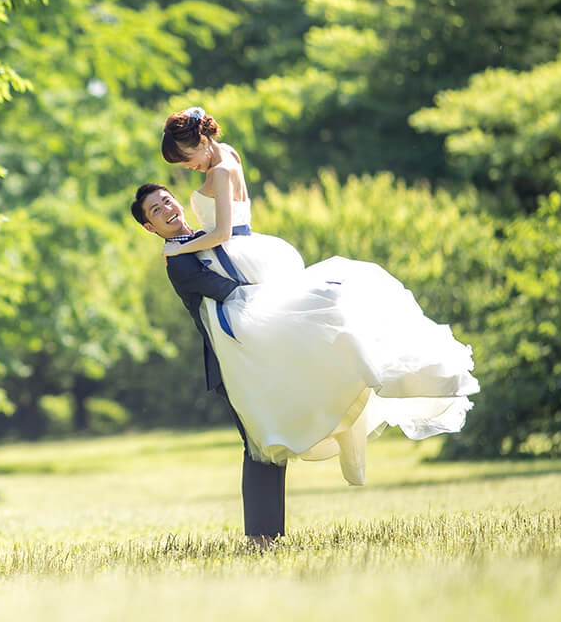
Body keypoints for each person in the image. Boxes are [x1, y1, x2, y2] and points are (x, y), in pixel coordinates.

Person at [147, 107, 479, 490]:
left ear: (202, 142)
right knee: (292, 329)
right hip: (255, 246)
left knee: (275, 333)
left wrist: (180, 249)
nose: (190, 168)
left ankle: (308, 403)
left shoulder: (219, 171)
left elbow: (221, 232)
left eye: (188, 160)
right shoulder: (230, 154)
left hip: (236, 253)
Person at [131, 182, 286, 546]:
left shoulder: (203, 237)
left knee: (272, 441)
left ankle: (271, 533)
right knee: (258, 444)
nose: (167, 209)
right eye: (156, 210)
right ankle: (261, 537)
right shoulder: (179, 262)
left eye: (167, 200)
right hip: (231, 363)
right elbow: (230, 291)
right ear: (150, 228)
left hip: (254, 351)